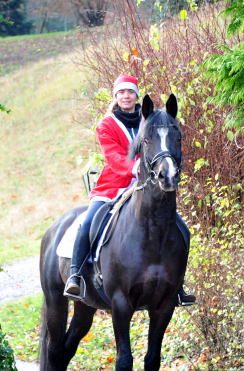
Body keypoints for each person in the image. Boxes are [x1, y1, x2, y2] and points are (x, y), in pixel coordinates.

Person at [65, 73, 195, 306]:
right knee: (88, 223)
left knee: (181, 227)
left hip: (146, 187)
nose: (126, 96)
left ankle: (178, 285)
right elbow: (113, 157)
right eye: (122, 92)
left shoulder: (150, 120)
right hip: (112, 186)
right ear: (116, 96)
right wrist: (133, 167)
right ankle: (76, 276)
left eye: (130, 92)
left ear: (137, 96)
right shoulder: (106, 125)